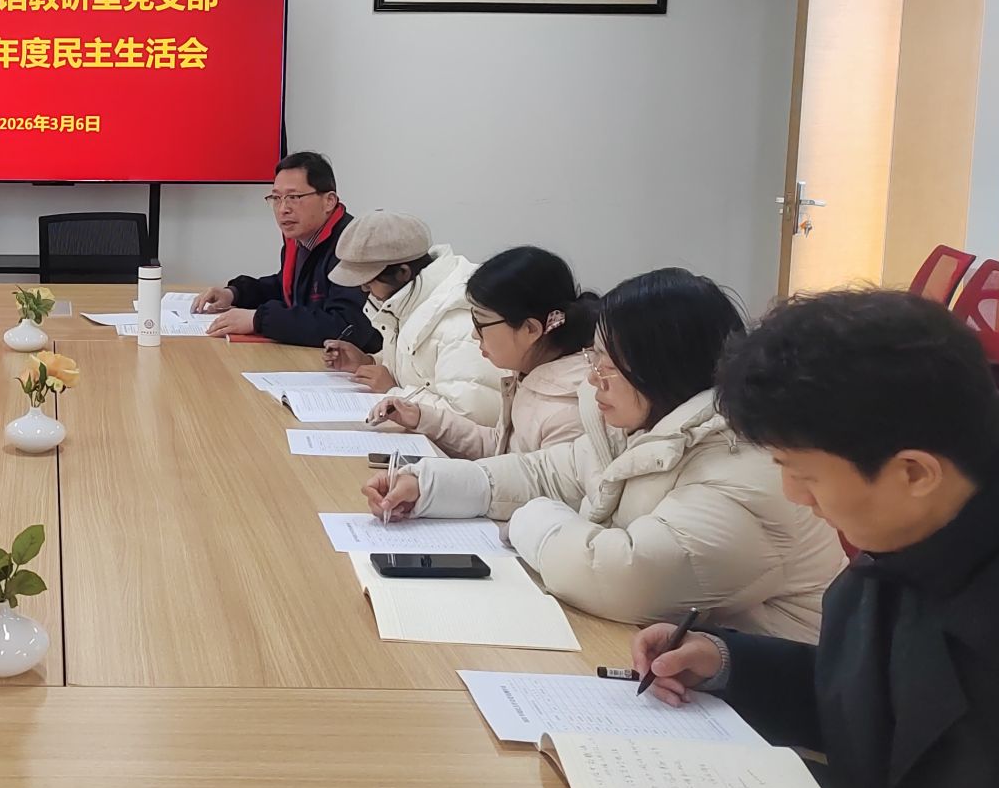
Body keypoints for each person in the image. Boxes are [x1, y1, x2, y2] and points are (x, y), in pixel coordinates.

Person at [637, 290, 999, 788]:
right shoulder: (914, 539)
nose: (795, 496)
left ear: (914, 472)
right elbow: (885, 708)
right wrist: (728, 661)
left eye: (804, 473)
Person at [364, 268, 844, 637]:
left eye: (609, 364)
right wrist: (428, 485)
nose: (593, 378)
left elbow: (628, 578)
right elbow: (545, 473)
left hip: (760, 712)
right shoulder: (640, 426)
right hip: (678, 668)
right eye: (594, 357)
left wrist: (531, 520)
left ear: (662, 368)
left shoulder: (745, 464)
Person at [371, 245, 595, 458]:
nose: (474, 335)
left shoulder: (567, 414)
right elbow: (498, 447)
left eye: (480, 324)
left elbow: (524, 480)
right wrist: (421, 417)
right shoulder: (529, 374)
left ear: (530, 329)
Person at [323, 211, 503, 427]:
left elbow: (471, 419)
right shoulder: (412, 300)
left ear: (402, 272)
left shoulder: (459, 324)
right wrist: (370, 362)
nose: (364, 289)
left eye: (369, 282)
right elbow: (419, 370)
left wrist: (393, 392)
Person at [192, 151, 379, 347]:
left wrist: (258, 320)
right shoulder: (300, 239)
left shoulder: (354, 247)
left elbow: (346, 326)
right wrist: (234, 293)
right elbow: (286, 289)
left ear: (329, 201)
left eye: (294, 197)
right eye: (276, 198)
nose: (283, 209)